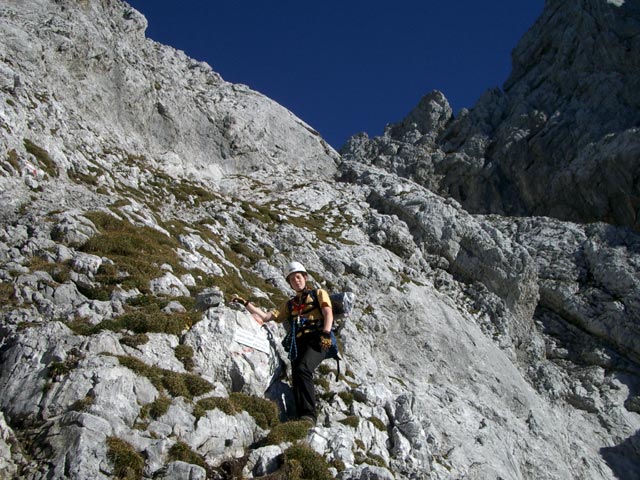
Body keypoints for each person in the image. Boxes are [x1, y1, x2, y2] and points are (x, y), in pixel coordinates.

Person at [231, 261, 333, 425]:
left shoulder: (319, 293)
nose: (296, 281)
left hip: (318, 339)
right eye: (292, 279)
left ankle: (309, 416)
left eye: (298, 277)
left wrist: (326, 333)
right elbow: (266, 317)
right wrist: (246, 303)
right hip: (300, 343)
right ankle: (301, 416)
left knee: (303, 369)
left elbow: (328, 313)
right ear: (290, 283)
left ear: (305, 277)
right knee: (297, 375)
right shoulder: (290, 304)